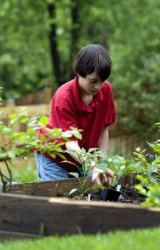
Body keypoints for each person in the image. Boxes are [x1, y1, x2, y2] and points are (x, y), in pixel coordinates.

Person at [35, 44, 116, 185]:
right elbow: (70, 145)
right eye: (93, 81)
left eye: (102, 81)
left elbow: (104, 128)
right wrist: (93, 167)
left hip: (81, 158)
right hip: (55, 158)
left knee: (90, 194)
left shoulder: (106, 90)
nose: (98, 87)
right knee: (57, 200)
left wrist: (102, 165)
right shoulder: (64, 97)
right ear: (79, 73)